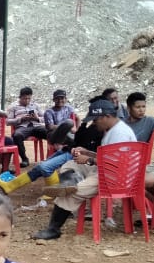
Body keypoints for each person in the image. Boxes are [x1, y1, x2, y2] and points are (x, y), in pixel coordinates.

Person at [32, 98, 137, 240]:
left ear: (106, 116)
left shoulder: (120, 134)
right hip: (106, 171)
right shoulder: (113, 130)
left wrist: (89, 160)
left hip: (113, 178)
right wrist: (88, 153)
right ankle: (67, 184)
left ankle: (53, 229)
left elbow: (116, 164)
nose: (94, 123)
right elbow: (108, 157)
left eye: (95, 120)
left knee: (73, 192)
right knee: (72, 164)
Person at [0, 95, 104, 195]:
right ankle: (11, 185)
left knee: (45, 167)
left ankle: (54, 191)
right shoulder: (93, 125)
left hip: (76, 154)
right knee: (40, 167)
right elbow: (77, 137)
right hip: (69, 148)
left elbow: (87, 145)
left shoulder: (101, 128)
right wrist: (84, 122)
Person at [7, 87, 47, 167]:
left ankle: (54, 157)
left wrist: (37, 118)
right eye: (25, 99)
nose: (27, 101)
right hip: (22, 127)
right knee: (17, 135)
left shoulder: (35, 105)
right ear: (20, 97)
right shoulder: (13, 107)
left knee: (51, 133)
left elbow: (46, 118)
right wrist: (21, 119)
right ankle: (24, 159)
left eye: (29, 98)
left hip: (36, 126)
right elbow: (7, 121)